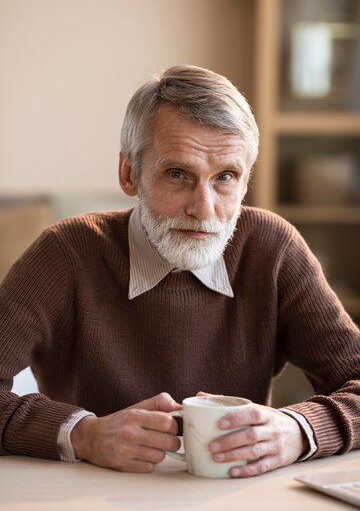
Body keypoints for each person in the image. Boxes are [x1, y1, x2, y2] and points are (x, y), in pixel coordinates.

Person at [0, 66, 359, 478]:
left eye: (225, 177)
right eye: (177, 174)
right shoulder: (66, 253)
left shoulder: (272, 248)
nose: (204, 210)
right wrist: (83, 434)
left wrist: (300, 429)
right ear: (129, 173)